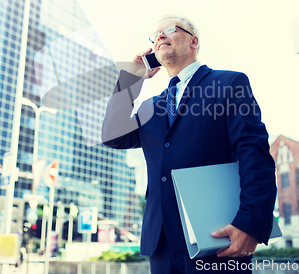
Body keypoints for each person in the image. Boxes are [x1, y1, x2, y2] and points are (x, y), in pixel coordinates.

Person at [102, 15, 276, 274]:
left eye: (169, 29)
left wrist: (250, 223)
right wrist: (131, 80)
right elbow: (112, 134)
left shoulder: (229, 84)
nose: (160, 36)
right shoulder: (151, 107)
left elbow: (255, 154)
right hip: (160, 244)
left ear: (194, 41)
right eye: (156, 34)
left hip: (216, 238)